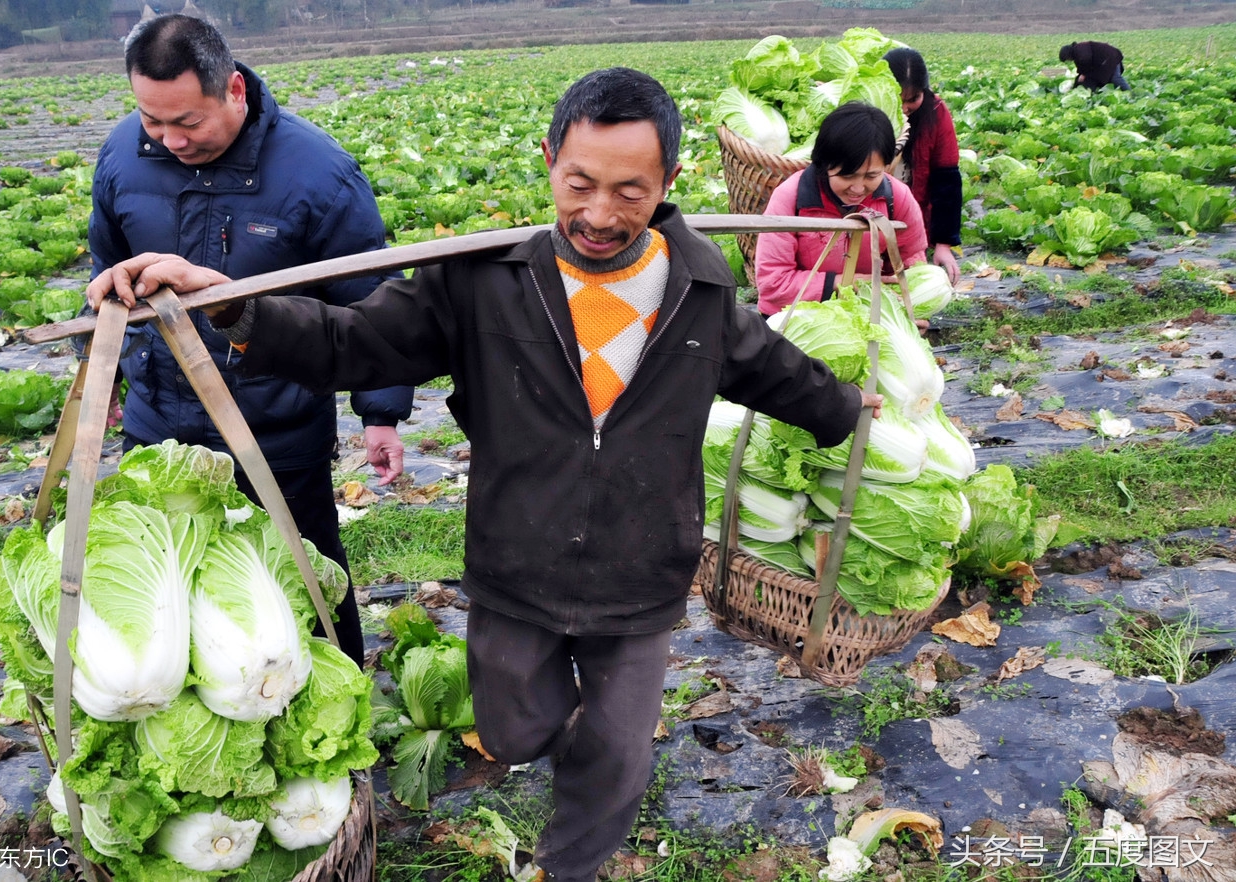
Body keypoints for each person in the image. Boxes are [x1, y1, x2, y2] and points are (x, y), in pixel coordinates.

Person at [87, 67, 882, 882]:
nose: (600, 215)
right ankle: (556, 749)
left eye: (630, 192)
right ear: (548, 161)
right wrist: (232, 306)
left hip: (643, 566)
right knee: (512, 728)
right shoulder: (480, 277)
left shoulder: (702, 287)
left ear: (670, 183)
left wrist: (850, 407)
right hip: (517, 559)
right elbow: (351, 342)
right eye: (580, 183)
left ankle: (566, 864)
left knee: (615, 753)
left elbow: (776, 371)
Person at [86, 13, 414, 667]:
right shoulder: (123, 154)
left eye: (187, 122)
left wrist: (381, 413)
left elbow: (373, 303)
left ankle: (341, 713)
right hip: (160, 426)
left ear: (233, 89)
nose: (169, 139)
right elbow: (105, 265)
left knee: (306, 579)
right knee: (171, 592)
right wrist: (109, 369)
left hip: (276, 426)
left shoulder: (319, 174)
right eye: (153, 120)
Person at [753, 101, 928, 317]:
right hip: (797, 317)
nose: (858, 188)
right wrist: (844, 283)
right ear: (824, 163)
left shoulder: (897, 198)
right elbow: (773, 284)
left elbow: (911, 261)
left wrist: (912, 311)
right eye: (847, 176)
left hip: (867, 315)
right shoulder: (790, 198)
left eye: (872, 176)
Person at [884, 47, 963, 285]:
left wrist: (943, 244)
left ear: (924, 92)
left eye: (913, 99)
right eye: (899, 99)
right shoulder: (870, 110)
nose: (905, 108)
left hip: (914, 220)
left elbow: (946, 180)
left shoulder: (936, 113)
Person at [1058, 40, 1130, 91]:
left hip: (1110, 58)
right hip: (1105, 60)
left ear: (1068, 55)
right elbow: (1084, 68)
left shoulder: (1080, 50)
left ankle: (1130, 93)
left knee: (1115, 78)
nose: (1069, 61)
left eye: (1067, 59)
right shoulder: (1077, 53)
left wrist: (1084, 74)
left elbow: (1086, 60)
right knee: (1102, 79)